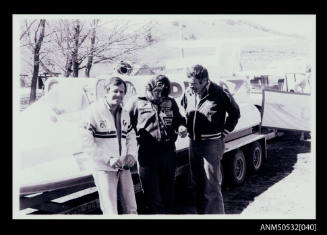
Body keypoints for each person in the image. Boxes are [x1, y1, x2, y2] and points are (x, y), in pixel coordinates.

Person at [181, 64, 240, 214]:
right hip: (193, 143)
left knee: (211, 187)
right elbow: (184, 110)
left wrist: (223, 133)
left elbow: (235, 114)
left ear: (204, 80)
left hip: (211, 145)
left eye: (193, 83)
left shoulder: (219, 92)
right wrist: (183, 126)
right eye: (189, 83)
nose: (190, 86)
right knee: (197, 184)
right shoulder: (188, 93)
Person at [129, 74, 187, 214]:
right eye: (156, 92)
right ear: (149, 88)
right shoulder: (137, 103)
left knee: (168, 193)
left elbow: (179, 120)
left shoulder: (170, 102)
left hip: (168, 153)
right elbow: (127, 127)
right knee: (152, 196)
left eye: (163, 93)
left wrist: (181, 127)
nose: (159, 96)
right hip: (147, 155)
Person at [80, 76, 138, 215]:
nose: (119, 95)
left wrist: (131, 155)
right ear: (106, 91)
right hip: (104, 168)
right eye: (115, 91)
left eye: (122, 92)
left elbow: (130, 136)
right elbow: (86, 142)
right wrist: (108, 158)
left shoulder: (124, 113)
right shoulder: (93, 111)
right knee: (110, 210)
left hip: (123, 166)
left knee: (131, 208)